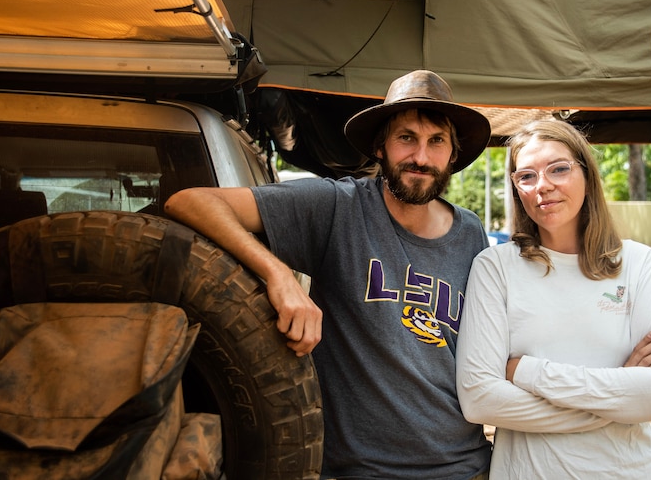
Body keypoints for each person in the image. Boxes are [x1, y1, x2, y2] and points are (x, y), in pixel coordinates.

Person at [165, 70, 494, 479]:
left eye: (436, 141)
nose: (421, 157)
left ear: (453, 153)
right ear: (381, 147)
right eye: (406, 137)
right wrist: (276, 273)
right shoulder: (337, 207)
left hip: (465, 467)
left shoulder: (471, 233)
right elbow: (190, 202)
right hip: (357, 469)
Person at [455, 119, 651, 479]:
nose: (543, 186)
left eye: (559, 169)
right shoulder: (495, 268)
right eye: (526, 176)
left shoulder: (639, 264)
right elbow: (479, 399)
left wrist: (528, 371)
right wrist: (620, 390)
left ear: (586, 174)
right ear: (516, 187)